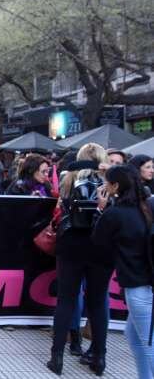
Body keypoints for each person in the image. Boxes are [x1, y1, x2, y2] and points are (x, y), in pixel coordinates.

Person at [46, 143, 110, 376]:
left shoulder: (68, 178)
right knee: (97, 302)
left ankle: (57, 357)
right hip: (101, 245)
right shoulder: (110, 180)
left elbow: (59, 209)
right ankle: (99, 357)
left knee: (66, 300)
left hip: (72, 243)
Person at [92, 165, 154, 378]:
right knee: (135, 337)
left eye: (107, 181)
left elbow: (97, 244)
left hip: (139, 287)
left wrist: (100, 210)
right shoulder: (145, 207)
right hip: (144, 283)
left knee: (149, 345)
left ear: (115, 185)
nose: (104, 185)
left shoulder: (115, 213)